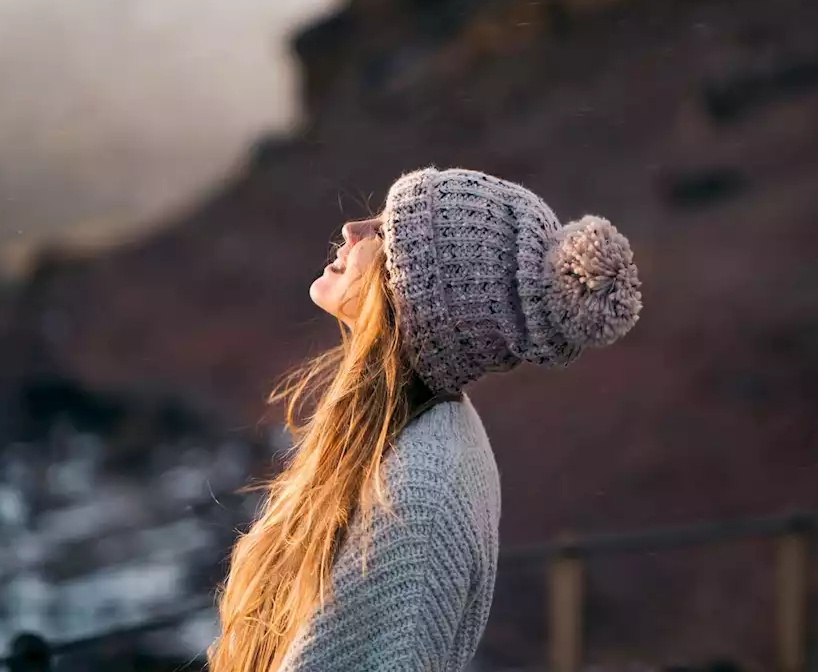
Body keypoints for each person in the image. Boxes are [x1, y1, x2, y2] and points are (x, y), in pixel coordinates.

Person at [208, 167, 642, 671]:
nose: (353, 231)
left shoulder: (418, 491)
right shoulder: (410, 434)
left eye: (386, 231)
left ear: (416, 298)